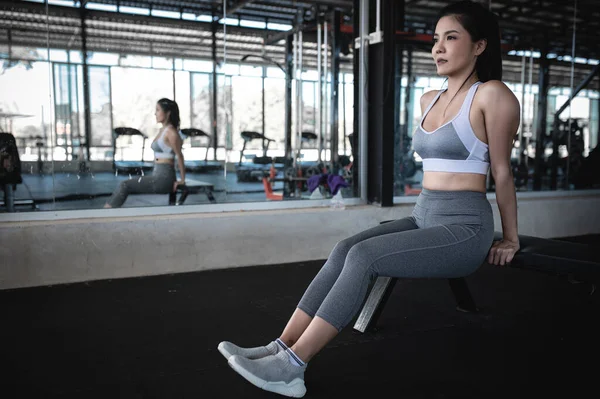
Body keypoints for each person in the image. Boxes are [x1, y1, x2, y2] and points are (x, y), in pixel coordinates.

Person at [218, 1, 521, 397]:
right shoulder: (429, 98)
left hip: (465, 226)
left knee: (365, 258)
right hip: (423, 214)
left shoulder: (493, 95)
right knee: (345, 248)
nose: (438, 48)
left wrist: (510, 237)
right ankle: (281, 346)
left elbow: (501, 172)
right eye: (435, 40)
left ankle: (293, 368)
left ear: (479, 46)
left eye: (451, 38)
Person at [104, 98, 185, 208]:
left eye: (158, 110)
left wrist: (182, 180)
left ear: (168, 113)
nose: (155, 113)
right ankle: (107, 212)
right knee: (126, 184)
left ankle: (106, 212)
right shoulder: (163, 130)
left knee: (125, 185)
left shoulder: (171, 132)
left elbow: (179, 156)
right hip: (157, 174)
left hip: (164, 178)